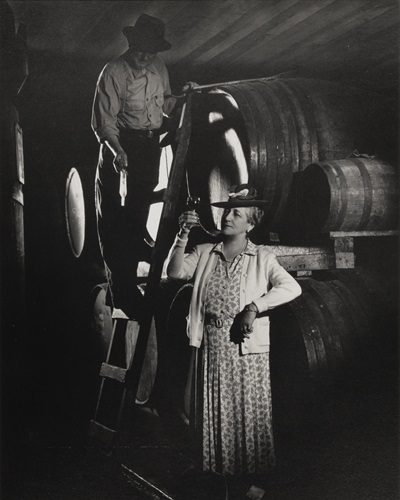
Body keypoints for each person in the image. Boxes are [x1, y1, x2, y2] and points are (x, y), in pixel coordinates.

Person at [166, 184, 302, 498]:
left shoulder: (262, 256)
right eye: (227, 211)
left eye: (236, 213)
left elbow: (291, 288)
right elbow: (174, 272)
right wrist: (182, 233)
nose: (227, 217)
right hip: (212, 348)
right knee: (214, 413)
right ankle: (219, 477)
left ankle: (251, 482)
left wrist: (255, 307)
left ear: (250, 224)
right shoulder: (205, 252)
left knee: (247, 416)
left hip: (246, 353)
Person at [91, 13, 178, 320]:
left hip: (149, 145)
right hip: (120, 145)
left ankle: (133, 274)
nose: (145, 57)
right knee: (115, 222)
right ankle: (124, 294)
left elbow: (166, 104)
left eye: (151, 51)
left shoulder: (158, 67)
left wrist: (183, 97)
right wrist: (117, 151)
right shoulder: (113, 72)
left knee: (139, 213)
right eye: (141, 50)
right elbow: (105, 123)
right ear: (131, 44)